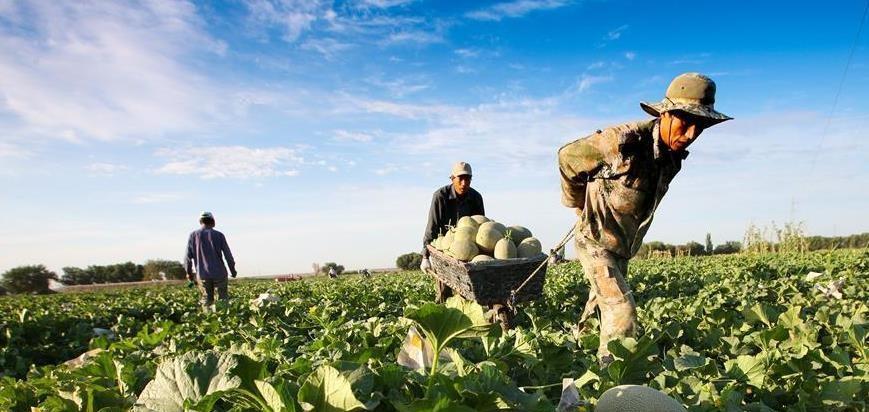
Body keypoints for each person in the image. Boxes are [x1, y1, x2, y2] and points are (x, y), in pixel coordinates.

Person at [558, 73, 731, 363]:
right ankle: (613, 385)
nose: (690, 134)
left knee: (601, 301)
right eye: (685, 122)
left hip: (623, 245)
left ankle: (575, 351)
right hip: (595, 240)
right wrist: (577, 203)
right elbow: (567, 158)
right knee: (621, 310)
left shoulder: (674, 157)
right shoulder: (623, 142)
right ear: (665, 114)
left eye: (699, 126)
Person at [420, 161, 485, 303]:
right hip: (445, 252)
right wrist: (425, 256)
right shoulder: (440, 196)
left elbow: (482, 228)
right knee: (445, 293)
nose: (464, 183)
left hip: (470, 253)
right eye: (460, 178)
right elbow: (432, 227)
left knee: (471, 293)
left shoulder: (476, 197)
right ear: (452, 179)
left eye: (467, 179)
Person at [185, 211, 237, 309]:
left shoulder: (193, 235)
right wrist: (233, 271)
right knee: (222, 299)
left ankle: (208, 320)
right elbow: (228, 256)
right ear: (213, 222)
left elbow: (187, 257)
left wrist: (189, 273)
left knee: (206, 301)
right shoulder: (219, 235)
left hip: (203, 274)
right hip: (220, 274)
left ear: (200, 222)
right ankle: (224, 321)